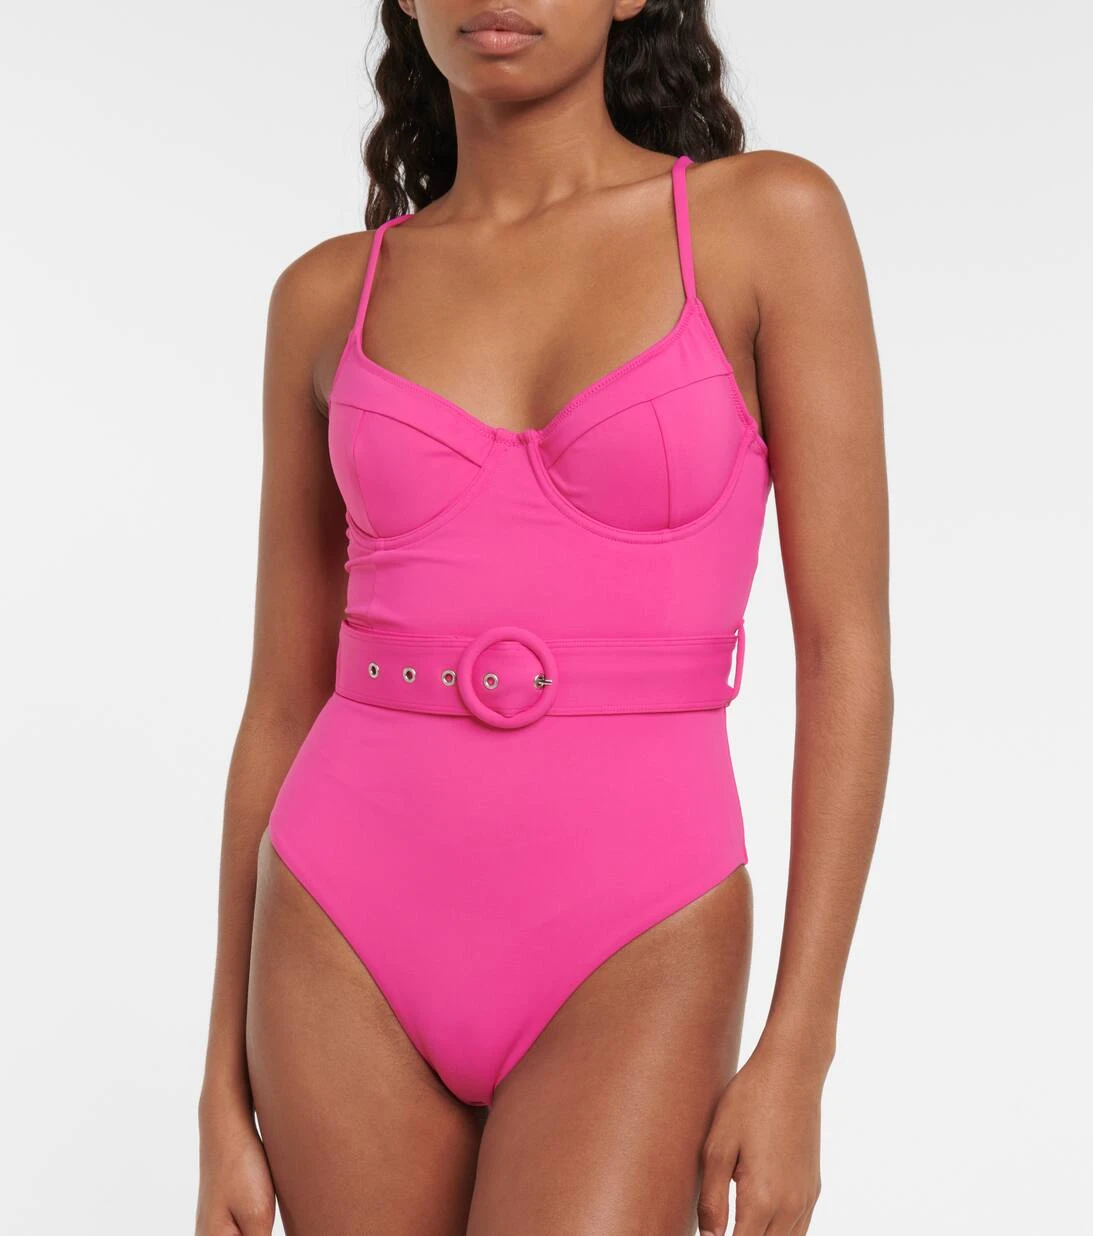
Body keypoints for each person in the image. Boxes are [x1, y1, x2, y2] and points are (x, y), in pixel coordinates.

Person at [196, 2, 893, 1233]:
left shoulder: (762, 225)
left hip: (641, 930)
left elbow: (847, 656)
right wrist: (217, 1090)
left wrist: (800, 1049)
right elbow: (280, 703)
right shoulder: (326, 295)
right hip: (337, 926)